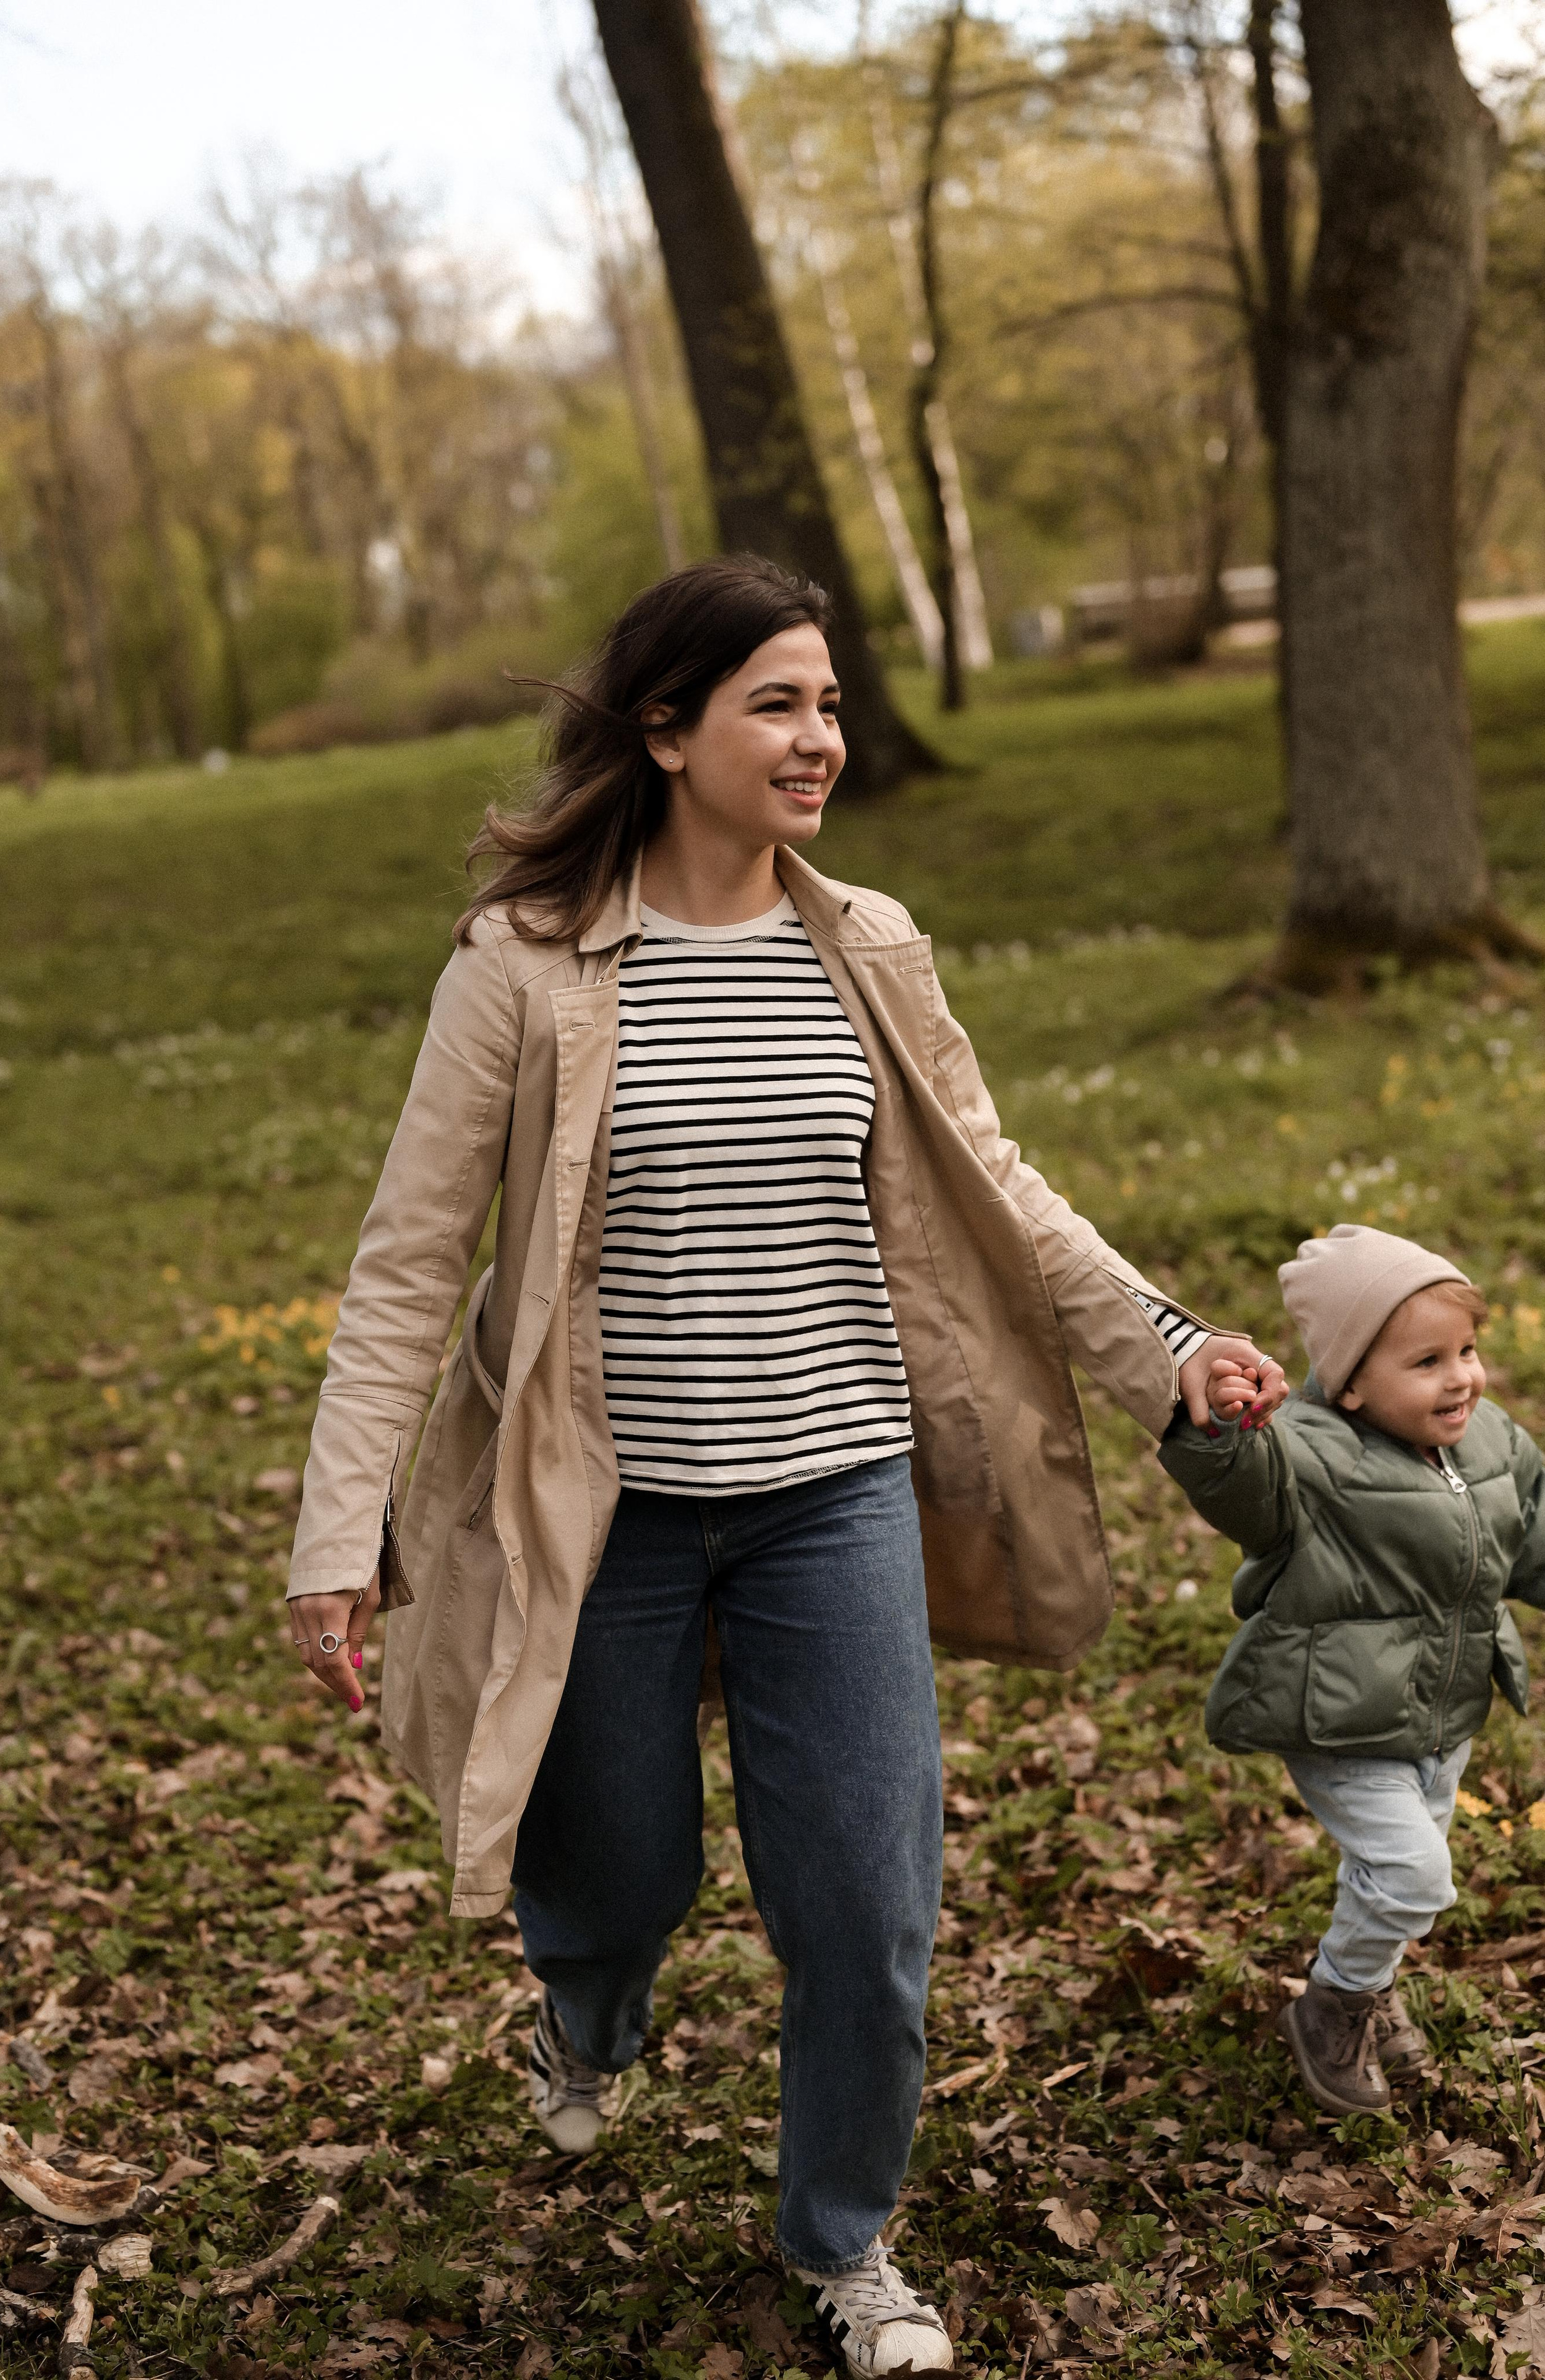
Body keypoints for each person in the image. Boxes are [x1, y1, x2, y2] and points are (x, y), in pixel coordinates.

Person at [283, 554, 1285, 2376]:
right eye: (778, 704)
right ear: (667, 731)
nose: (820, 738)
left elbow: (1000, 1182)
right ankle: (588, 2014)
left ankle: (844, 2240)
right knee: (613, 1874)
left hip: (835, 1500)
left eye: (826, 704)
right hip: (610, 1514)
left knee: (869, 1904)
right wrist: (335, 1535)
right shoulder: (525, 970)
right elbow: (412, 1263)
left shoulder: (866, 945)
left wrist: (1171, 1340)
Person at [1160, 1222, 1545, 2118]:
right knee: (1414, 1878)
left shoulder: (1492, 1445)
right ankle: (1334, 2003)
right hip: (1339, 1720)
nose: (1461, 1377)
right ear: (1352, 1383)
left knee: (1389, 1877)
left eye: (1466, 1350)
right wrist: (1223, 1430)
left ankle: (1369, 1986)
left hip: (1441, 1719)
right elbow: (1240, 1486)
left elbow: (1533, 1537)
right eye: (1427, 1362)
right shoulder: (1306, 1455)